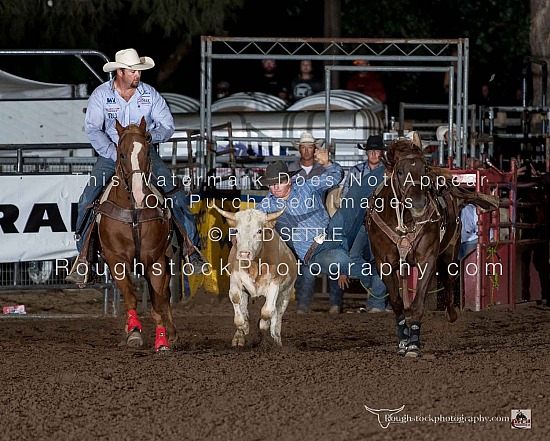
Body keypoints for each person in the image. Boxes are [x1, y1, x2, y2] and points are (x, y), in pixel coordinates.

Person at [66, 48, 205, 284]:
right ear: (119, 72)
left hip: (144, 153)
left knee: (175, 193)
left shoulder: (149, 94)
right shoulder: (101, 96)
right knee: (87, 199)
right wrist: (113, 153)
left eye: (139, 71)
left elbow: (167, 125)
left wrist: (150, 138)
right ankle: (83, 258)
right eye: (133, 71)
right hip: (113, 154)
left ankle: (192, 249)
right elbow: (93, 129)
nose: (138, 75)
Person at [256, 152, 387, 314]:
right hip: (315, 253)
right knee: (348, 261)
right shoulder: (266, 205)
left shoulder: (305, 185)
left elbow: (336, 176)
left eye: (279, 182)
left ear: (289, 180)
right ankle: (380, 295)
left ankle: (390, 170)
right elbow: (249, 221)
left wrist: (327, 164)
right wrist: (235, 232)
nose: (275, 187)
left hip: (332, 231)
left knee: (355, 194)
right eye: (271, 183)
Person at [287, 132, 341, 314]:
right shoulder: (291, 169)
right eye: (303, 147)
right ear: (299, 149)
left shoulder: (321, 169)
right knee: (306, 263)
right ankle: (304, 303)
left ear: (314, 149)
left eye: (310, 147)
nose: (307, 150)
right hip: (300, 222)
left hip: (322, 218)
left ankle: (333, 303)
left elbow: (334, 189)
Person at [338, 134, 389, 313]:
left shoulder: (388, 172)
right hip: (361, 222)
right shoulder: (356, 171)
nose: (374, 154)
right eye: (371, 151)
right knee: (353, 257)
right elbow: (346, 196)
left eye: (377, 151)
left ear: (382, 153)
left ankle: (376, 303)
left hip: (384, 225)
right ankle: (380, 293)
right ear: (366, 153)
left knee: (381, 260)